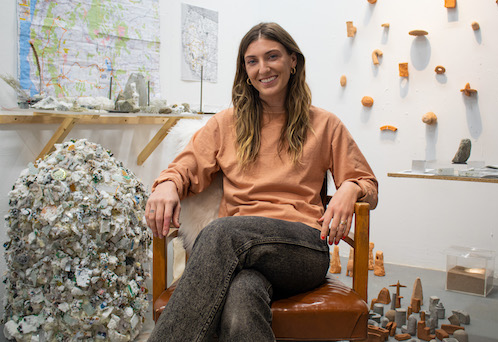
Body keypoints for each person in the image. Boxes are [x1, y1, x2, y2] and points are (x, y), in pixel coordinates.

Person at [145, 22, 378, 342]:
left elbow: (368, 185)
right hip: (239, 253)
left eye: (272, 57)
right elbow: (185, 167)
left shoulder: (324, 124)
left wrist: (350, 188)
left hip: (302, 248)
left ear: (293, 61)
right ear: (244, 69)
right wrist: (168, 185)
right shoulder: (226, 124)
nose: (262, 68)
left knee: (220, 232)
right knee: (243, 295)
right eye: (252, 61)